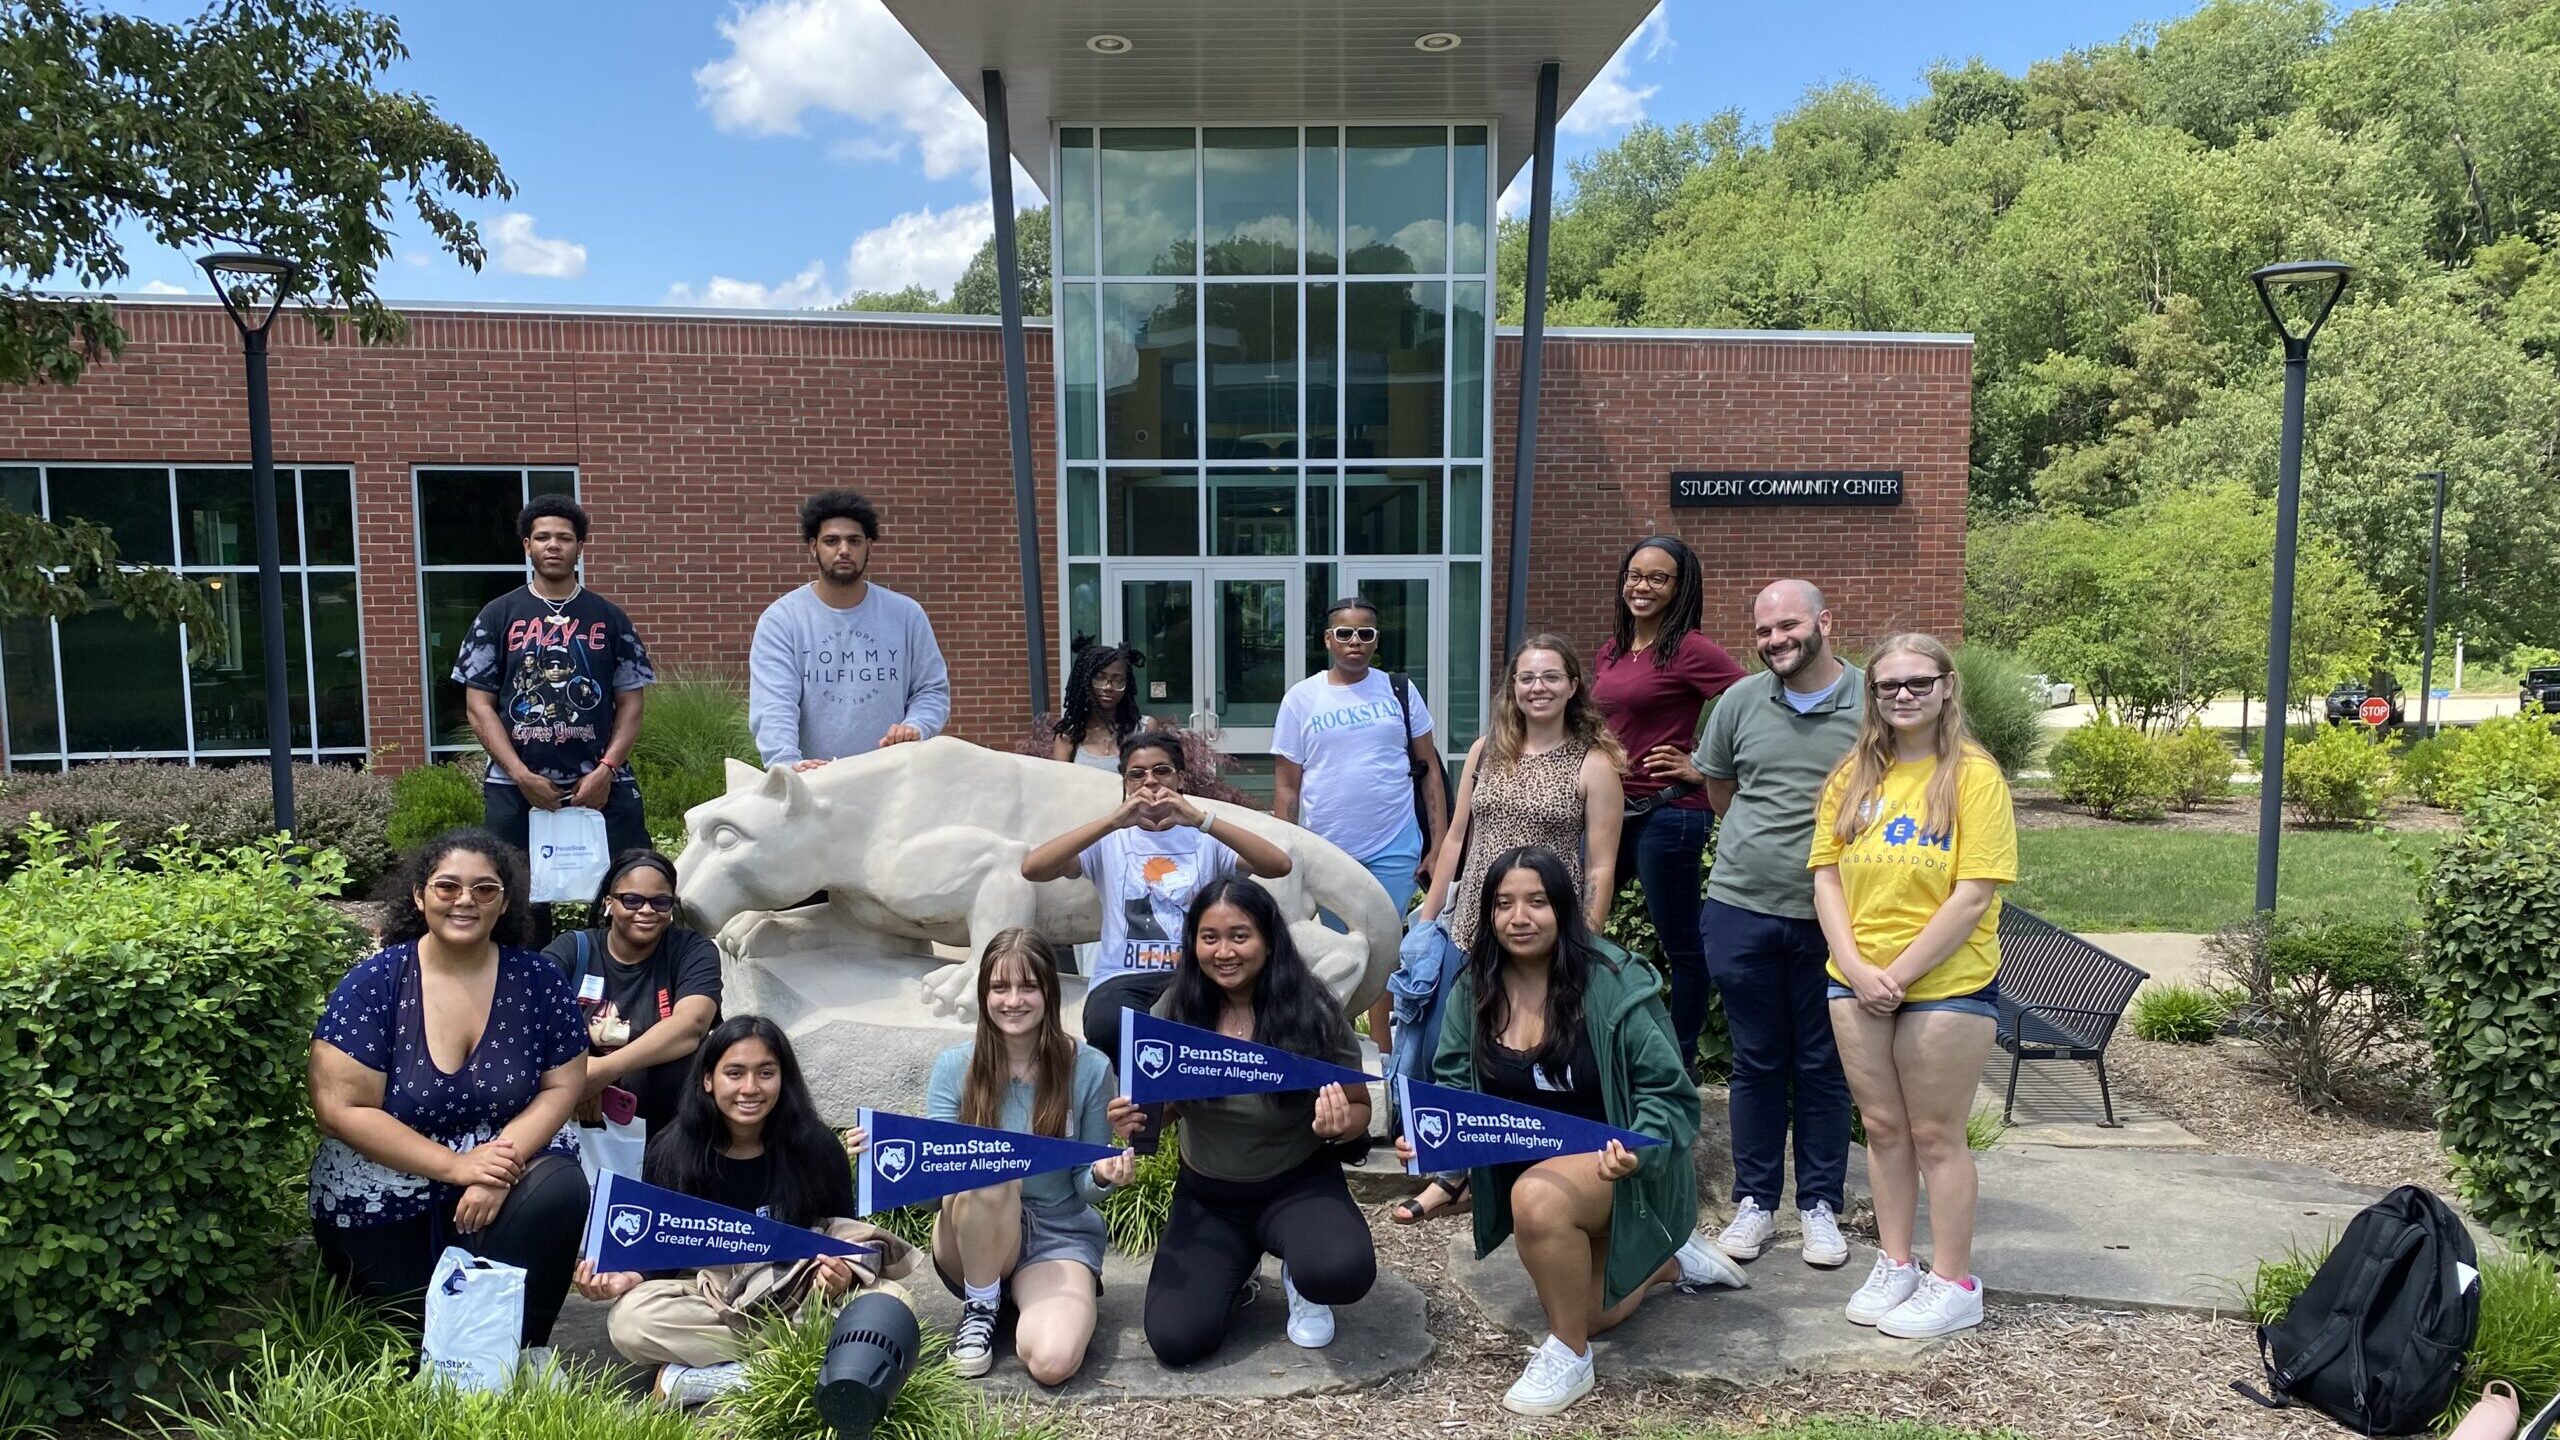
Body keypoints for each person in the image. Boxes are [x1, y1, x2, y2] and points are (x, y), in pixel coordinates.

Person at [1404, 847, 1746, 1416]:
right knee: (1587, 1305)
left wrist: (1638, 1151)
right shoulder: (1474, 989)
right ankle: (1670, 1261)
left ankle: (1568, 1356)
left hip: (1620, 1168)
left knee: (1538, 1203)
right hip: (1538, 1181)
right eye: (1504, 904)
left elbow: (1669, 1093)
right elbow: (1455, 1093)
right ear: (1487, 915)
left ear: (1563, 908)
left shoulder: (1613, 983)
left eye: (1537, 902)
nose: (1520, 917)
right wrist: (1441, 1152)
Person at [307, 829, 589, 1360]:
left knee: (558, 1188)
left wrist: (497, 1166)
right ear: (419, 895)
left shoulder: (538, 980)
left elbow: (563, 1084)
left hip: (504, 1165)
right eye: (448, 886)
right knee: (419, 1355)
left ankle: (526, 1352)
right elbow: (339, 1109)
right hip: (384, 1187)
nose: (465, 901)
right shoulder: (375, 982)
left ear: (505, 901)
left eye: (485, 889)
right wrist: (457, 1168)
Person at [1811, 634, 2016, 1339]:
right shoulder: (1853, 775)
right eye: (1887, 685)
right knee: (1883, 1129)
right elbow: (1827, 874)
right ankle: (1896, 1261)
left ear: (1947, 687)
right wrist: (1856, 965)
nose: (1902, 695)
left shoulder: (1973, 777)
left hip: (1946, 984)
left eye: (1917, 683)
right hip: (1856, 980)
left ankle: (1953, 1281)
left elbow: (1973, 893)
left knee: (1935, 1134)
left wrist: (1897, 974)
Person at [1654, 580, 1863, 1270]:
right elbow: (1721, 791)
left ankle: (1820, 1207)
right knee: (1756, 1061)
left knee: (1823, 1064)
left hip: (1836, 917)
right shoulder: (1739, 702)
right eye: (1766, 630)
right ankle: (1755, 1202)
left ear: (1825, 622)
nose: (1777, 639)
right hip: (1742, 909)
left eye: (1790, 626)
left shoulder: (1871, 703)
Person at [1398, 634, 1625, 1224]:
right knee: (1441, 1048)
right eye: (1527, 677)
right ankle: (1450, 1173)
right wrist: (1428, 923)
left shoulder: (1594, 764)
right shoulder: (1485, 752)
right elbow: (1455, 839)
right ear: (1513, 688)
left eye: (1551, 676)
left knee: (1523, 1046)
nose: (1538, 687)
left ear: (1574, 685)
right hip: (1471, 922)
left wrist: (1586, 939)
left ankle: (1514, 1167)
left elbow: (1601, 863)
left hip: (1542, 932)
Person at [575, 1016, 916, 1406]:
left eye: (765, 1073)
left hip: (798, 1289)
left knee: (893, 1303)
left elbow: (843, 1236)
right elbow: (661, 1255)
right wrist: (627, 1279)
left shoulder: (817, 1147)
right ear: (708, 1079)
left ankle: (719, 1378)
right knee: (629, 1322)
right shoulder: (672, 1151)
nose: (750, 1089)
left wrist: (837, 1277)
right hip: (710, 1294)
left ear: (783, 1078)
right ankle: (793, 1364)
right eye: (734, 1073)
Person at [1106, 879, 1377, 1366]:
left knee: (1341, 1272)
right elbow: (1161, 1114)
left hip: (1298, 1184)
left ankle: (1301, 1274)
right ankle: (1237, 1266)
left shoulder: (1310, 1009)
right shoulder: (1173, 1012)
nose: (1224, 951)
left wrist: (1339, 1125)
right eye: (1209, 937)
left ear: (1268, 939)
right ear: (1193, 944)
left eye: (1240, 935)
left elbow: (1360, 1109)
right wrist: (1135, 1118)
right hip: (1210, 1197)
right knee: (1176, 1340)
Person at [904, 929, 1132, 1384]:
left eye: (1028, 986)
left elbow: (1085, 1185)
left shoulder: (1089, 1067)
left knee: (1053, 1363)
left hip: (1056, 1233)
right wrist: (899, 1160)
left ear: (1049, 991)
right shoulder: (955, 1067)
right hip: (970, 1235)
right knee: (992, 1169)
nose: (1013, 1000)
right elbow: (932, 1199)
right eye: (999, 987)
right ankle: (982, 1305)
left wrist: (1104, 1173)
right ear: (984, 993)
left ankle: (1019, 1301)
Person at [1022, 732, 1294, 1054]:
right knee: (1109, 1027)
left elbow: (1279, 865)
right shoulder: (1111, 840)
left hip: (1194, 974)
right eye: (1137, 774)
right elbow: (1033, 868)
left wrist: (1200, 819)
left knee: (1195, 1029)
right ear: (1126, 783)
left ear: (1179, 778)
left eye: (1161, 771)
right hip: (1122, 977)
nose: (1150, 781)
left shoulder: (1204, 838)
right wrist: (1112, 822)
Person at [1592, 535, 1744, 1076]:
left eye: (1659, 578)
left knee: (1681, 945)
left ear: (1681, 588)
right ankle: (1593, 1040)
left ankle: (1677, 1062)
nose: (1643, 586)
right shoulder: (1613, 648)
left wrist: (1703, 762)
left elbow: (1750, 701)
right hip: (1615, 811)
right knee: (1580, 925)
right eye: (1635, 574)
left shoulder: (1691, 649)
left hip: (1669, 812)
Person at [1272, 596, 1448, 1053]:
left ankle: (1389, 1053)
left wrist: (1440, 843)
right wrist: (1283, 857)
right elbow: (1288, 787)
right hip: (1329, 852)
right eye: (1345, 633)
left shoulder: (1399, 691)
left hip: (1394, 844)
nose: (1355, 642)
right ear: (1328, 640)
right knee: (1341, 954)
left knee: (1385, 952)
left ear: (1376, 640)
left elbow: (1428, 767)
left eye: (1365, 633)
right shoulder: (1302, 698)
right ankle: (1338, 1047)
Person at [451, 494, 655, 864]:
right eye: (543, 537)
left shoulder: (609, 618)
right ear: (527, 546)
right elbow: (479, 707)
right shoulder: (497, 616)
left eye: (564, 538)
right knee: (516, 900)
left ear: (579, 546)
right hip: (514, 786)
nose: (553, 546)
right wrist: (520, 774)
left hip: (602, 783)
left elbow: (632, 703)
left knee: (632, 883)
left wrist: (606, 770)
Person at [749, 489, 951, 770]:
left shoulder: (906, 615)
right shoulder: (782, 621)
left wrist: (916, 725)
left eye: (854, 540)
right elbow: (774, 705)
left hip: (895, 779)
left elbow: (931, 689)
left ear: (869, 546)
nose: (844, 549)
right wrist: (786, 765)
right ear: (812, 547)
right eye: (831, 541)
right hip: (815, 783)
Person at [542, 849, 721, 1131]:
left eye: (660, 902)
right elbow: (527, 1016)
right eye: (632, 900)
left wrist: (602, 1072)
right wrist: (576, 1081)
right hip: (570, 1118)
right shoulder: (573, 949)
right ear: (609, 903)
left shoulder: (691, 951)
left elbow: (691, 1026)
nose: (647, 911)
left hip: (666, 1126)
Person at [1051, 639, 1148, 771]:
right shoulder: (1069, 735)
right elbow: (1061, 785)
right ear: (1085, 681)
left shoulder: (1144, 729)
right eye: (1100, 678)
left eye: (1118, 680)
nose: (1108, 687)